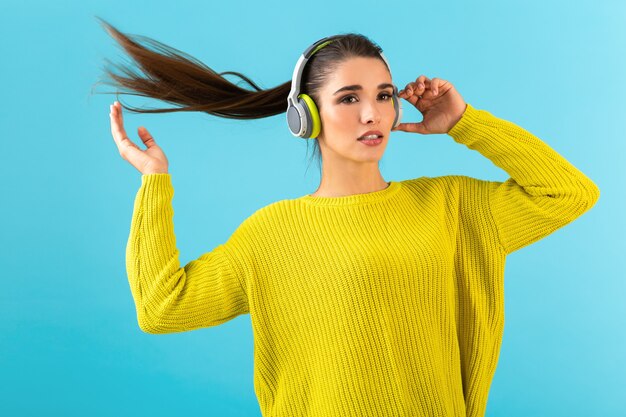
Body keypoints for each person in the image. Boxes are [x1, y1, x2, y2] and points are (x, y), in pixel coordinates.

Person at [101, 18, 600, 417]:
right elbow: (161, 308)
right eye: (349, 98)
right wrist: (154, 182)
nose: (373, 114)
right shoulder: (271, 235)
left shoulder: (452, 207)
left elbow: (568, 193)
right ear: (306, 115)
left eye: (384, 95)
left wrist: (466, 123)